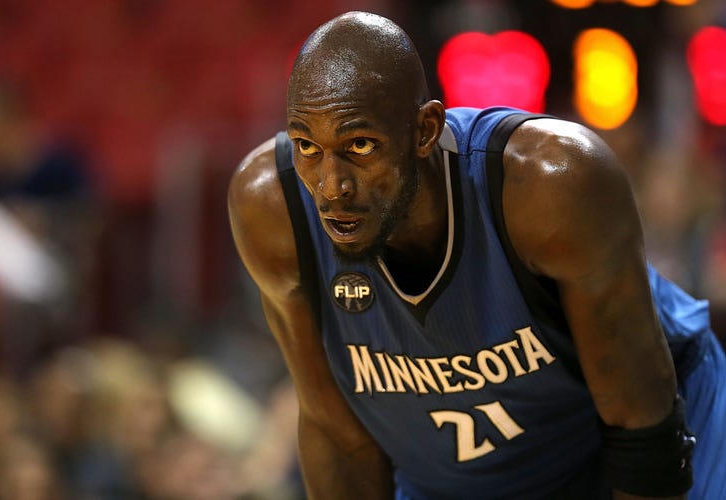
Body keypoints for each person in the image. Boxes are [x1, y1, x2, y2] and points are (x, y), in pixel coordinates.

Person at [228, 11, 726, 500]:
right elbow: (338, 435)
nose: (331, 185)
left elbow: (638, 421)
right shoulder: (271, 210)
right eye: (307, 147)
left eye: (360, 145)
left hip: (647, 434)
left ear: (425, 130)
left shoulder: (550, 185)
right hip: (455, 480)